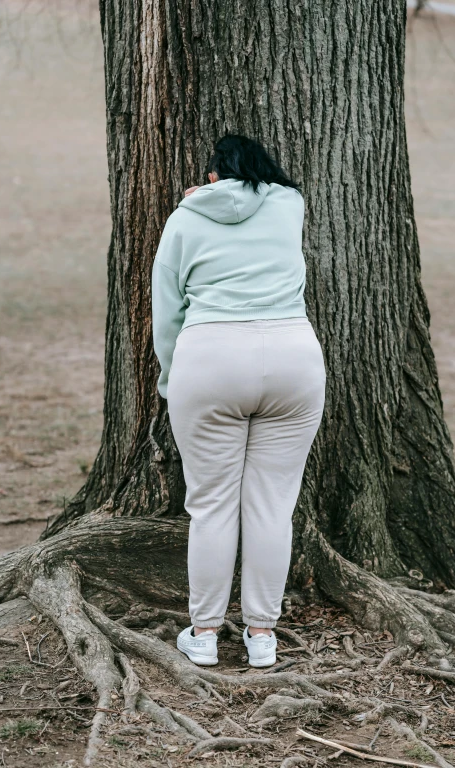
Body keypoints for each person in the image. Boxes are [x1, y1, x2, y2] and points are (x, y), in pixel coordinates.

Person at [151, 134, 326, 668]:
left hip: (210, 360)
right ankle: (262, 635)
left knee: (210, 505)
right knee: (273, 504)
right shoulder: (288, 205)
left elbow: (168, 308)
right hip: (292, 359)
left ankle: (203, 633)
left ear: (210, 178)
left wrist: (168, 377)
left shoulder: (183, 219)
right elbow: (270, 192)